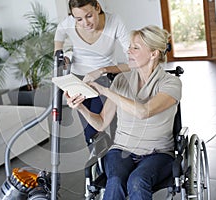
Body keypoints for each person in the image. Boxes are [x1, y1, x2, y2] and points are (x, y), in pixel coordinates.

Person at [65, 25, 182, 200]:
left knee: (138, 180)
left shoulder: (171, 83)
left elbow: (143, 111)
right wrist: (80, 107)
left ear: (154, 53)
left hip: (158, 153)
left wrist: (105, 91)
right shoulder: (121, 80)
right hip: (121, 149)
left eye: (135, 48)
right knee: (115, 180)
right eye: (129, 47)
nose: (128, 51)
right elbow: (102, 122)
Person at [54, 0, 130, 145]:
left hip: (105, 80)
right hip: (78, 80)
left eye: (89, 16)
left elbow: (134, 62)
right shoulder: (68, 23)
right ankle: (97, 164)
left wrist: (102, 70)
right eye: (79, 19)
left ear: (98, 7)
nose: (85, 23)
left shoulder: (114, 22)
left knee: (106, 124)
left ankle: (115, 156)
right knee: (89, 130)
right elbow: (60, 32)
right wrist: (59, 54)